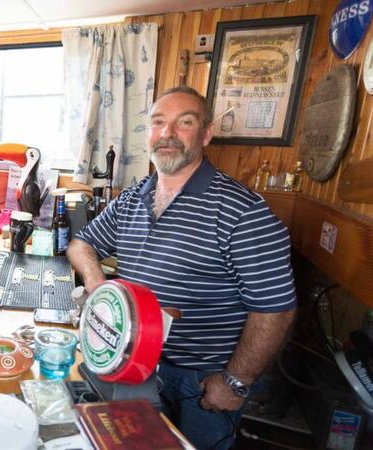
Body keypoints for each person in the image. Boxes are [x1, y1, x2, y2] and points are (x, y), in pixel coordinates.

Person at [68, 86, 297, 450]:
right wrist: (99, 288)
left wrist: (235, 382)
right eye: (158, 123)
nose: (168, 133)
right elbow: (82, 243)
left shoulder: (243, 212)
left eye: (184, 122)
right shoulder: (133, 197)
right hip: (133, 365)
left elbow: (276, 310)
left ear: (205, 134)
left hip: (201, 382)